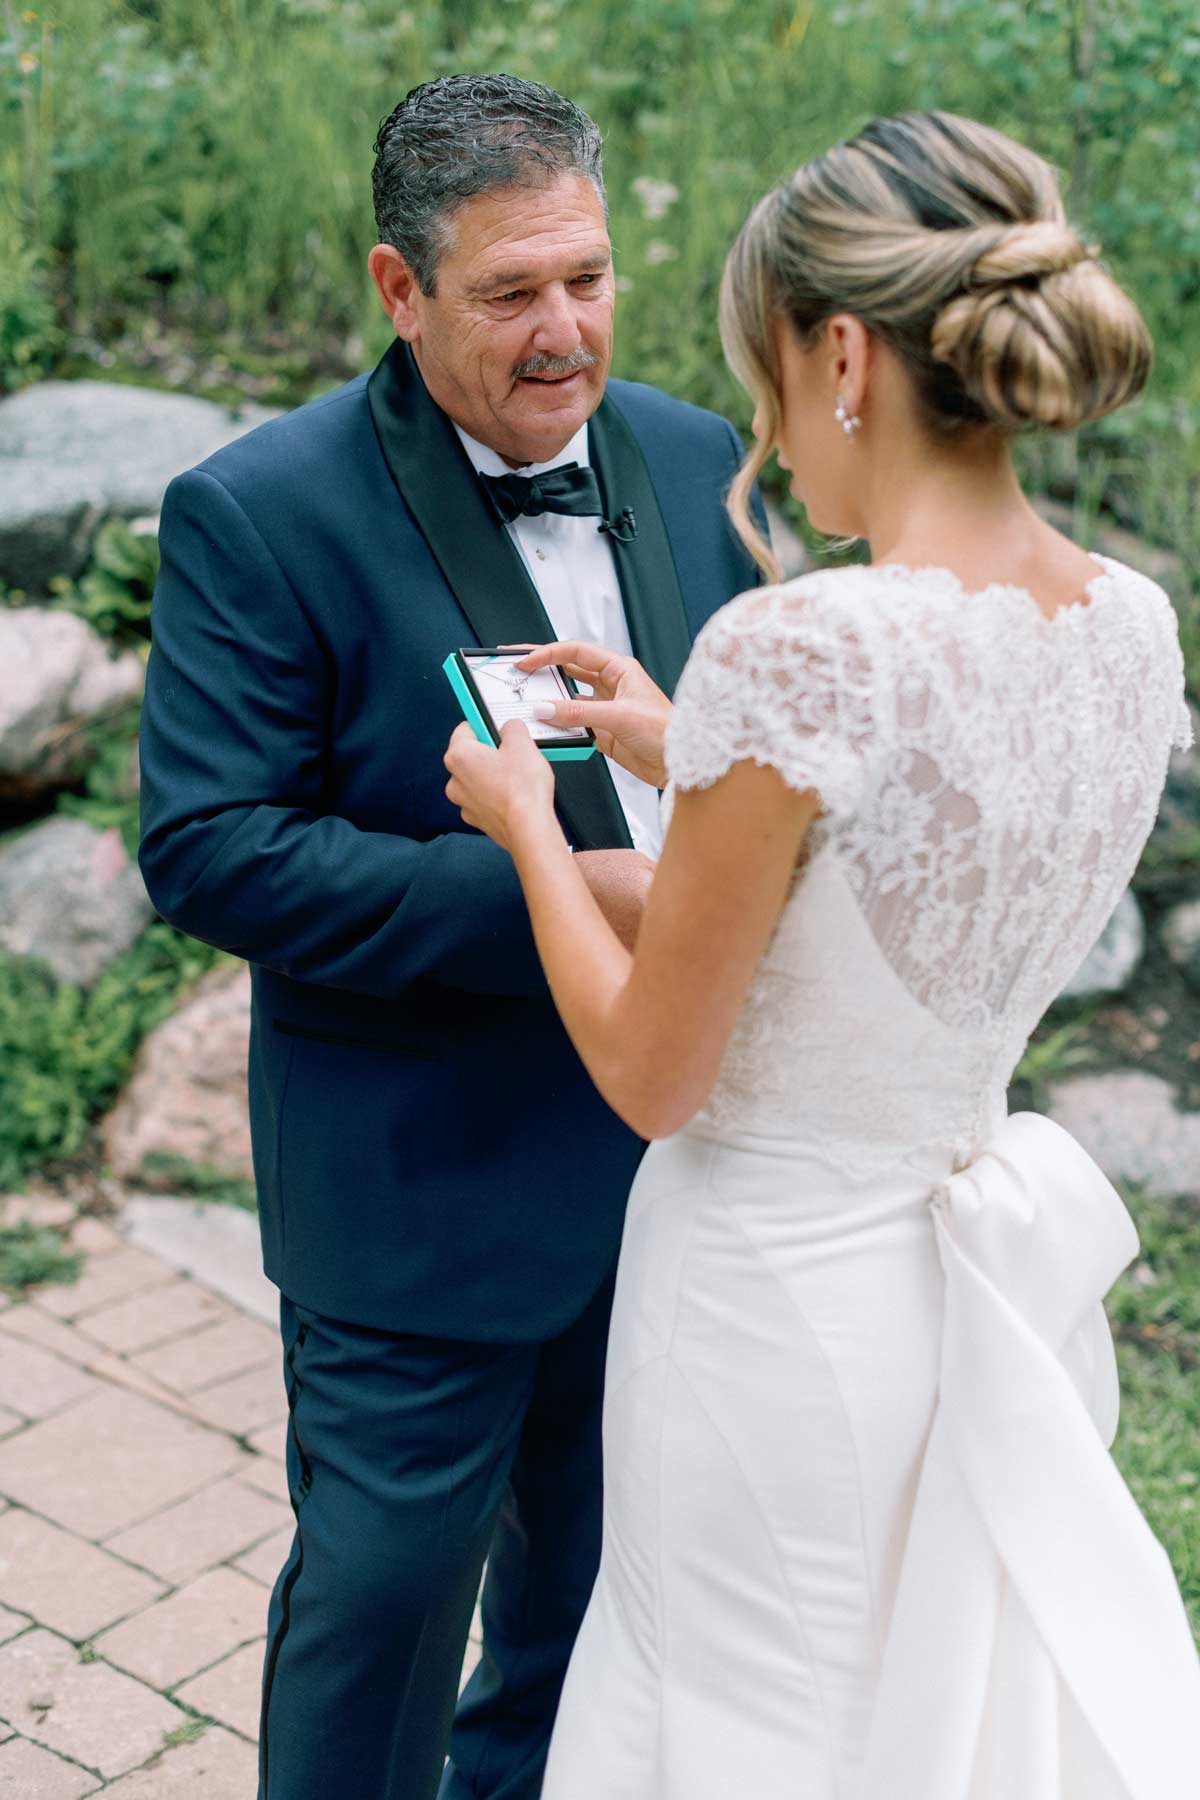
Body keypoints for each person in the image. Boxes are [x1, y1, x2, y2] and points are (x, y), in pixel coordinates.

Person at [443, 109, 1200, 1797]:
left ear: (841, 352)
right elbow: (899, 895)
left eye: (768, 378)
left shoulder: (798, 644)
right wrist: (680, 751)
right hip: (949, 1300)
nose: (772, 440)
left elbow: (652, 1071)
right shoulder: (1131, 625)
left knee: (737, 1725)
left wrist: (528, 828)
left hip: (767, 1319)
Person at [137, 74, 759, 1800]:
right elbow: (207, 851)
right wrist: (566, 893)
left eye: (590, 278)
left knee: (595, 1623)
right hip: (414, 1186)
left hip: (669, 1177)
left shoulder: (700, 458)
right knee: (381, 1621)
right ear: (399, 290)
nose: (565, 332)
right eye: (510, 293)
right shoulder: (259, 509)